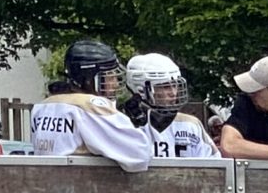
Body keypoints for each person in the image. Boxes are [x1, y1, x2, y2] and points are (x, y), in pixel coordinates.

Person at [27, 39, 150, 171]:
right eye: (109, 77)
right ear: (88, 79)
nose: (115, 84)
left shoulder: (43, 106)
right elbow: (140, 153)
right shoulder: (89, 106)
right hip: (82, 181)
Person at [119, 54, 218, 159]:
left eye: (174, 85)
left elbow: (215, 163)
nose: (173, 93)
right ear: (141, 90)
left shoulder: (190, 125)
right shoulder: (122, 124)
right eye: (165, 87)